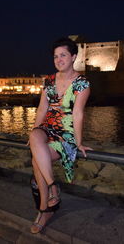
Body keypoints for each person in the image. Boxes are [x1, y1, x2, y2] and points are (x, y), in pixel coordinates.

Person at [28, 37, 92, 234]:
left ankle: (43, 211)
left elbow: (78, 113)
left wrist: (79, 142)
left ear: (73, 57)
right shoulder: (48, 80)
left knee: (37, 160)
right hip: (47, 127)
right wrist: (34, 132)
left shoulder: (82, 83)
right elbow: (41, 109)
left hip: (66, 133)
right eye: (56, 56)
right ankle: (52, 187)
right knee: (34, 136)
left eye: (63, 55)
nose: (59, 59)